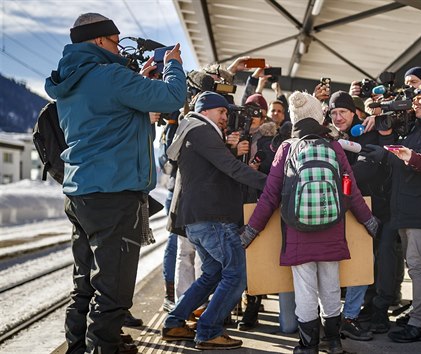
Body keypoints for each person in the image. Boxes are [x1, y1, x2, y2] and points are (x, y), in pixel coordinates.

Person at [44, 13, 186, 354]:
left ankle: (77, 346)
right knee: (114, 290)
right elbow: (172, 98)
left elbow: (108, 113)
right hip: (113, 195)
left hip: (81, 193)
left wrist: (137, 80)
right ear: (97, 42)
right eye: (114, 41)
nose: (120, 48)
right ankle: (103, 348)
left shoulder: (73, 80)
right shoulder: (111, 76)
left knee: (85, 284)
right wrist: (173, 65)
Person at [239, 91, 379, 354]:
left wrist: (251, 230)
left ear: (294, 119)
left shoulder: (287, 148)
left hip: (297, 232)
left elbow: (270, 195)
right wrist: (368, 220)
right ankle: (334, 342)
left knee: (305, 290)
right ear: (318, 116)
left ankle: (308, 345)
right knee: (330, 287)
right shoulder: (334, 146)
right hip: (333, 228)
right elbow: (352, 189)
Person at [161, 91, 267, 350]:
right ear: (206, 111)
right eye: (221, 112)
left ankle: (174, 322)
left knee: (213, 273)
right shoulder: (201, 131)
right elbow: (231, 168)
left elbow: (215, 168)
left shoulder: (195, 133)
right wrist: (272, 183)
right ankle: (208, 330)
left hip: (198, 220)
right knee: (236, 275)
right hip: (213, 219)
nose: (225, 118)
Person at [363, 83, 421, 343]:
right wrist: (388, 136)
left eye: (420, 96)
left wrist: (386, 150)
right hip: (408, 206)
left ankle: (420, 324)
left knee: (417, 265)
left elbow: (420, 159)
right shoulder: (420, 126)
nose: (414, 101)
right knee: (417, 265)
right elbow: (402, 156)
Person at [328, 90, 396, 341]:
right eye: (333, 112)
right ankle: (348, 315)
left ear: (353, 112)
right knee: (349, 264)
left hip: (375, 208)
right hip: (344, 209)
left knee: (371, 264)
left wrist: (338, 179)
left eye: (342, 112)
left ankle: (366, 314)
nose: (338, 117)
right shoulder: (332, 135)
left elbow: (368, 169)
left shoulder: (368, 130)